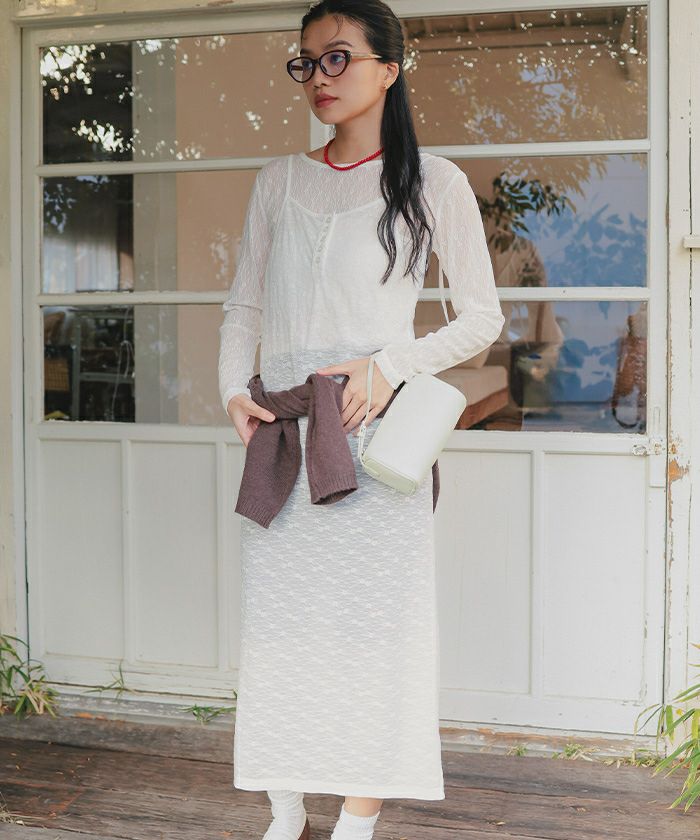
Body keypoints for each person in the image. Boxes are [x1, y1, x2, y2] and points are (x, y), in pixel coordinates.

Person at [217, 2, 505, 838]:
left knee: (375, 633)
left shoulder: (434, 182)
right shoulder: (277, 180)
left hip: (371, 443)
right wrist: (234, 389)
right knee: (282, 631)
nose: (318, 77)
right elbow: (244, 304)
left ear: (390, 68)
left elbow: (481, 318)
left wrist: (389, 366)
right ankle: (285, 808)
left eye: (337, 57)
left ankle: (358, 818)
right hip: (284, 436)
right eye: (306, 61)